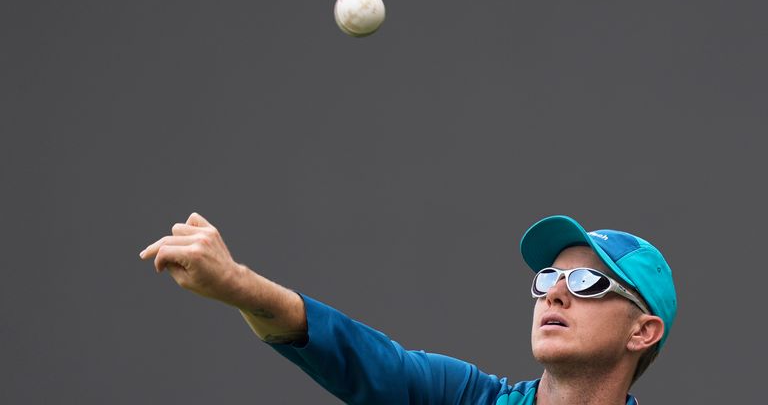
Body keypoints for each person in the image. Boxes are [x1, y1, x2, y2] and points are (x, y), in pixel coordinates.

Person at [139, 213, 677, 405]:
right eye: (548, 278)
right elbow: (353, 356)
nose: (556, 293)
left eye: (586, 282)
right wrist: (237, 285)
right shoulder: (463, 398)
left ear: (642, 331)